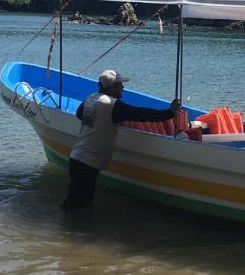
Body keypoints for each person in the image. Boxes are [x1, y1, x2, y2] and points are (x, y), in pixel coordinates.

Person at [63, 69, 180, 208]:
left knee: (76, 202)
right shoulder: (112, 105)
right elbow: (140, 114)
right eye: (120, 85)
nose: (123, 87)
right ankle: (70, 228)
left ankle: (69, 227)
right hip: (88, 162)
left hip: (77, 157)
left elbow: (79, 114)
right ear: (112, 88)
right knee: (80, 203)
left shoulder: (91, 97)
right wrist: (169, 113)